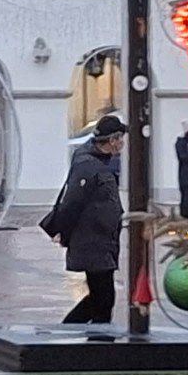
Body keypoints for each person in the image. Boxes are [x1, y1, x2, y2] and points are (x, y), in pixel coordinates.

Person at [50, 114, 127, 325]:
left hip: (101, 240)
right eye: (120, 138)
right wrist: (63, 233)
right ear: (112, 140)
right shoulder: (89, 165)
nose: (122, 143)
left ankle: (96, 342)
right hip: (93, 240)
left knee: (100, 298)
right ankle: (91, 340)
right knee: (103, 298)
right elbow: (72, 202)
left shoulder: (99, 161)